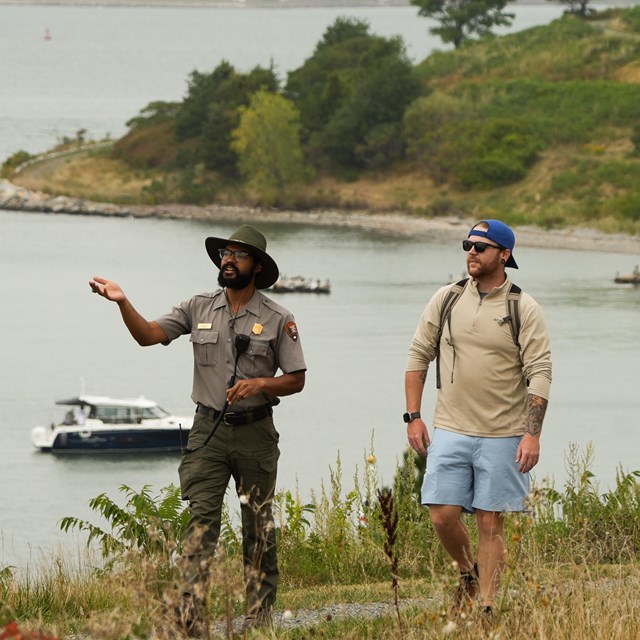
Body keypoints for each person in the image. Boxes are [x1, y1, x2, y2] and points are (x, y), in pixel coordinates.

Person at [89, 224, 306, 631]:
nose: (228, 259)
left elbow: (296, 378)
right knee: (201, 522)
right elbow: (148, 336)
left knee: (257, 526)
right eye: (225, 253)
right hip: (206, 430)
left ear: (256, 267)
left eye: (238, 255)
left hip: (256, 432)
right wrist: (122, 303)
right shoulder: (198, 306)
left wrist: (260, 383)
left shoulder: (279, 318)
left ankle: (258, 619)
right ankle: (189, 619)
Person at [404, 219, 551, 618]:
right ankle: (469, 573)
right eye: (468, 244)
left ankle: (486, 605)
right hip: (450, 426)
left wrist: (532, 435)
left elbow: (539, 372)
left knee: (490, 521)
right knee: (441, 512)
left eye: (482, 247)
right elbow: (418, 356)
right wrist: (413, 417)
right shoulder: (447, 297)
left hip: (504, 432)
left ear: (504, 255)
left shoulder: (523, 307)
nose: (471, 251)